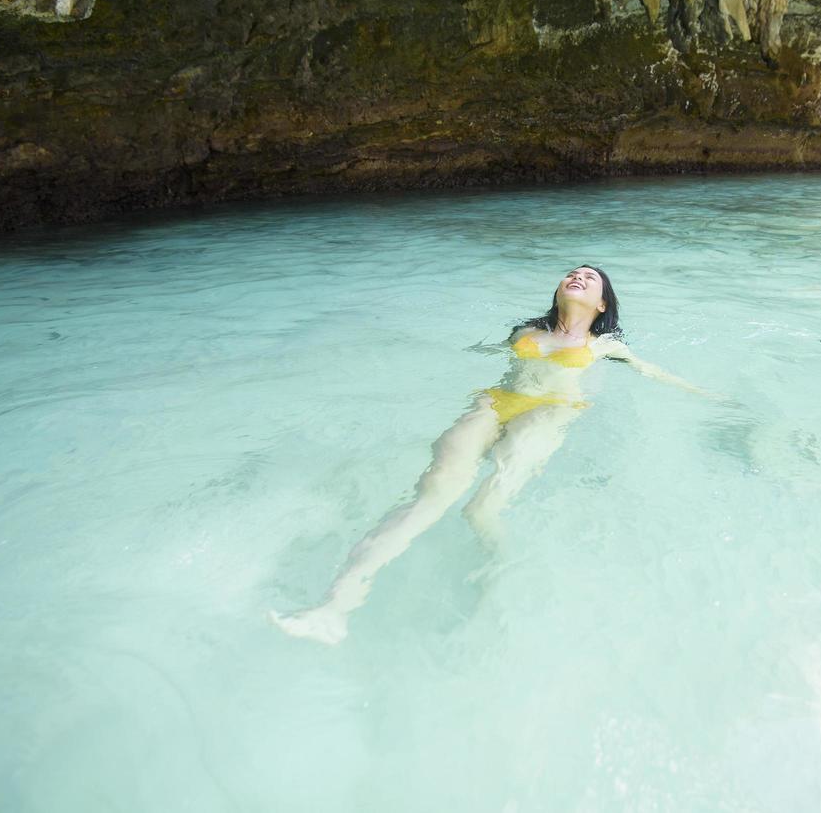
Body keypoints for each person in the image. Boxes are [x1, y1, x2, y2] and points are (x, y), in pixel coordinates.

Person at [272, 265, 707, 645]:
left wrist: (708, 397)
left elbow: (654, 373)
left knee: (481, 510)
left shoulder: (605, 346)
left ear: (601, 304)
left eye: (589, 278)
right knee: (432, 494)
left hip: (551, 413)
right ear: (558, 292)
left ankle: (499, 579)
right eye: (571, 273)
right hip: (496, 403)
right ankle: (334, 607)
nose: (577, 277)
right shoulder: (524, 333)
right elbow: (479, 357)